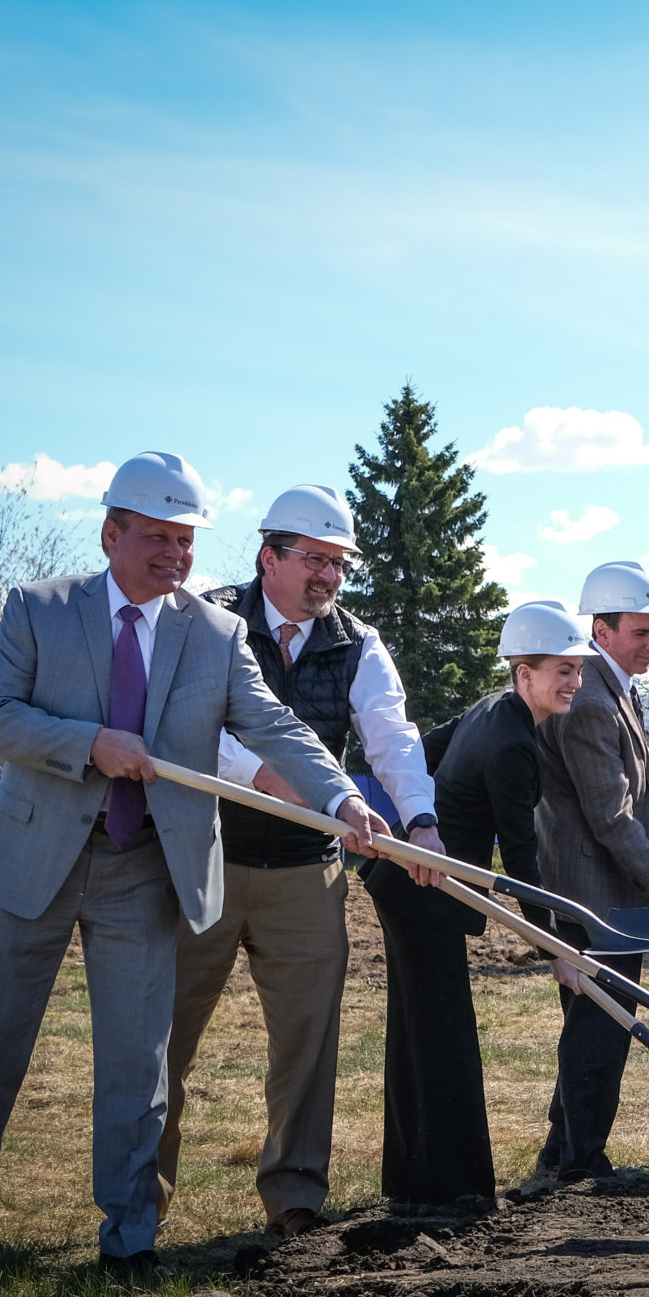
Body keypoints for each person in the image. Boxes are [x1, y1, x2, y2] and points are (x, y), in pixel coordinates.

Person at [0, 453, 386, 1277]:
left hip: (143, 867)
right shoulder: (41, 609)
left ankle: (130, 1240)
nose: (175, 555)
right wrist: (87, 746)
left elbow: (275, 728)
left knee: (139, 1065)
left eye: (187, 540)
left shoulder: (213, 634)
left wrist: (341, 800)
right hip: (32, 860)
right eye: (158, 537)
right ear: (113, 533)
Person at [159, 484, 443, 1239]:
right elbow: (177, 725)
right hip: (203, 863)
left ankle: (294, 1196)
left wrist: (420, 820)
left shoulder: (357, 643)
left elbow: (392, 736)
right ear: (269, 556)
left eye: (338, 564)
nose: (328, 577)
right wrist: (262, 774)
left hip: (306, 875)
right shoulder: (207, 620)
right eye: (314, 560)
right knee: (162, 1040)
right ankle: (138, 1202)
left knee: (307, 1048)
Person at [366, 599, 592, 1209]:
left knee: (423, 1035)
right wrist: (554, 949)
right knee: (440, 1037)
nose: (573, 682)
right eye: (560, 671)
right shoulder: (514, 741)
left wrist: (421, 823)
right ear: (525, 675)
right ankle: (450, 1189)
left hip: (415, 884)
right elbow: (521, 860)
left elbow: (428, 754)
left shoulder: (493, 708)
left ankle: (423, 1183)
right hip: (423, 892)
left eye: (577, 670)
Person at [527, 562, 649, 1187]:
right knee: (601, 1029)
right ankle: (583, 1164)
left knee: (596, 1022)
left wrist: (642, 756)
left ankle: (562, 1152)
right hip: (592, 893)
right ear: (601, 631)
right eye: (641, 633)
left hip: (602, 888)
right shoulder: (589, 701)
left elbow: (610, 773)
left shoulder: (611, 689)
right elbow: (607, 816)